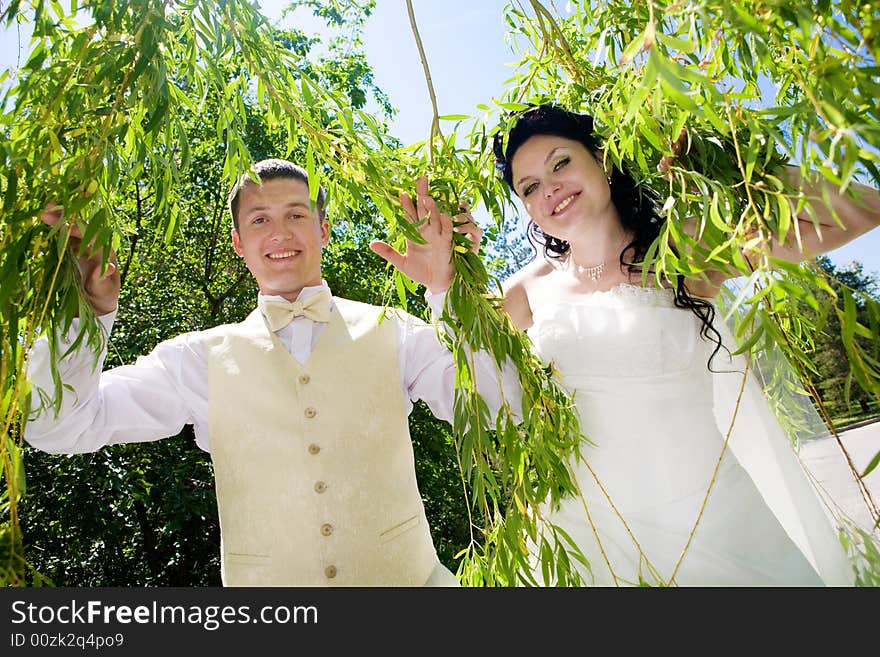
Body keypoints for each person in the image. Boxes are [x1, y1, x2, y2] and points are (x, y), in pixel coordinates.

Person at [24, 157, 519, 587]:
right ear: (239, 243)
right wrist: (81, 315)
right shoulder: (197, 360)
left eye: (296, 215)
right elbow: (60, 424)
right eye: (260, 220)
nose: (279, 233)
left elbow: (503, 408)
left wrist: (449, 289)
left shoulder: (397, 333)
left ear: (323, 230)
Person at [491, 104, 880, 586]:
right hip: (588, 542)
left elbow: (858, 210)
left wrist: (735, 172)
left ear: (603, 159)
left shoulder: (684, 249)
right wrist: (445, 285)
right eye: (529, 187)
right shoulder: (522, 293)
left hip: (714, 529)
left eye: (561, 162)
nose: (548, 188)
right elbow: (470, 380)